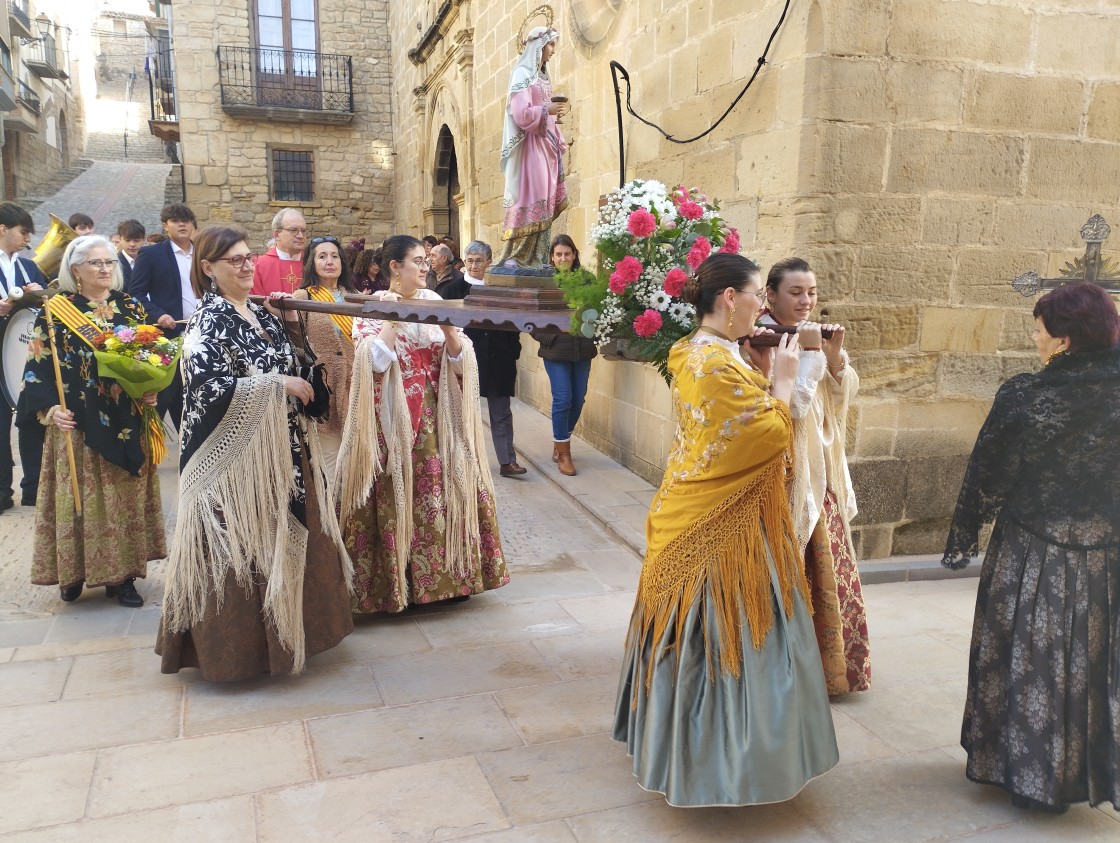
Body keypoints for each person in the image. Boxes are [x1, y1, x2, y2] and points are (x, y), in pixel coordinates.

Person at [613, 253, 838, 806]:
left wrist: (783, 373)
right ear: (730, 299)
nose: (765, 304)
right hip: (719, 520)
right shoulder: (709, 362)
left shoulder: (697, 351)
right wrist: (786, 378)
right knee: (723, 633)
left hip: (711, 508)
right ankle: (720, 761)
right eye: (759, 293)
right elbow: (766, 435)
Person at [942, 283, 1120, 813]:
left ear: (1063, 340)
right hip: (1108, 550)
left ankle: (1030, 771)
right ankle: (1085, 769)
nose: (1033, 335)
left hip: (1033, 546)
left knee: (1030, 652)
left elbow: (989, 473)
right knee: (1094, 659)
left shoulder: (1025, 393)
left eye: (1038, 326)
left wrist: (967, 529)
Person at [157, 226, 353, 681]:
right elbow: (206, 388)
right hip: (237, 466)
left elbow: (288, 360)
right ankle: (240, 657)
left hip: (285, 450)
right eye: (235, 261)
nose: (247, 266)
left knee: (293, 539)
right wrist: (275, 384)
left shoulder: (260, 315)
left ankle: (292, 640)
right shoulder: (207, 321)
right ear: (208, 268)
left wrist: (302, 360)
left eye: (248, 258)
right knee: (240, 554)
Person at [337, 234, 510, 613]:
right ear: (395, 267)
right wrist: (390, 319)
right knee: (400, 496)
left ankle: (454, 581)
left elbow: (462, 361)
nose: (424, 266)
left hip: (441, 418)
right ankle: (400, 587)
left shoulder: (437, 301)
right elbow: (373, 364)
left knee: (452, 493)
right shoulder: (371, 306)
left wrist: (449, 329)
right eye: (416, 260)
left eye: (425, 260)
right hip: (395, 421)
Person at [23, 235, 165, 607]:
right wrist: (50, 410)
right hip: (78, 421)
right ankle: (74, 574)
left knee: (122, 502)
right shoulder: (55, 310)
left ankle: (123, 579)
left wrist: (151, 389)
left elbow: (153, 358)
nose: (105, 269)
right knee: (79, 502)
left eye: (109, 263)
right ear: (76, 270)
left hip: (125, 417)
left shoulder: (130, 306)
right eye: (96, 263)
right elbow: (37, 366)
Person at [761, 257, 870, 696]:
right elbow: (788, 410)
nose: (806, 301)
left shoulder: (814, 335)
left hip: (821, 468)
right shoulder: (763, 340)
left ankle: (830, 671)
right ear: (770, 295)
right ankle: (788, 676)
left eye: (812, 293)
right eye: (795, 292)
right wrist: (810, 357)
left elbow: (840, 395)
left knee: (830, 565)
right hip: (788, 473)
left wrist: (836, 359)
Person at [438, 240, 526, 477]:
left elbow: (513, 323)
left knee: (501, 413)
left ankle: (507, 461)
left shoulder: (501, 290)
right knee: (462, 412)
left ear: (489, 262)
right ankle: (462, 461)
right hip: (463, 359)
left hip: (498, 359)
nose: (474, 265)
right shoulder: (451, 289)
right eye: (469, 261)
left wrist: (512, 350)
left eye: (479, 261)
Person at [497, 25, 569, 267]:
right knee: (532, 196)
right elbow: (521, 113)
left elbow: (546, 114)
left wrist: (557, 136)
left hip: (547, 147)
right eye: (550, 45)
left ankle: (537, 257)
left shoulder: (543, 78)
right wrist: (545, 111)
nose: (553, 51)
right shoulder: (522, 75)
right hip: (532, 148)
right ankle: (517, 255)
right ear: (538, 46)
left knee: (546, 201)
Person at [287, 235, 357, 483]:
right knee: (330, 464)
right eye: (322, 256)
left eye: (334, 256)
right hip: (324, 390)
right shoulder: (303, 297)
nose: (329, 261)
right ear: (312, 264)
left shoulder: (355, 297)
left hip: (354, 386)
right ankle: (329, 518)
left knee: (354, 461)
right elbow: (295, 342)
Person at [126, 202, 198, 431]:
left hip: (200, 334)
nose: (182, 224)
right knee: (164, 398)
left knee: (193, 401)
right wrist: (159, 314)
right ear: (165, 226)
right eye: (175, 220)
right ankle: (147, 456)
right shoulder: (151, 253)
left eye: (186, 220)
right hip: (169, 337)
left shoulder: (203, 253)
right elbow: (134, 294)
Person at [532, 235, 596, 475]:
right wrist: (551, 338)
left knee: (578, 399)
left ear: (574, 255)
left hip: (582, 349)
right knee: (563, 398)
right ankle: (565, 454)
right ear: (552, 256)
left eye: (567, 254)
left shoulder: (587, 280)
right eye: (558, 254)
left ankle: (560, 441)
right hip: (555, 350)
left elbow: (597, 310)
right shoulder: (544, 283)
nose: (563, 258)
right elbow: (532, 318)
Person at [0, 202, 46, 511]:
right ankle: (3, 490)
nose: (27, 239)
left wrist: (40, 291)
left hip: (25, 353)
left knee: (30, 419)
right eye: (23, 232)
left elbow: (45, 302)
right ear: (2, 229)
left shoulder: (28, 266)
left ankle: (34, 489)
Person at [251, 208, 309, 296]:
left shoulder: (312, 263)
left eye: (303, 231)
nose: (300, 236)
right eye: (293, 230)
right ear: (276, 235)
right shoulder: (260, 266)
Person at [116, 219, 145, 286]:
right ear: (120, 239)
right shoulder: (116, 263)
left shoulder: (149, 260)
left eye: (137, 241)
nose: (132, 244)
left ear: (143, 240)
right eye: (127, 240)